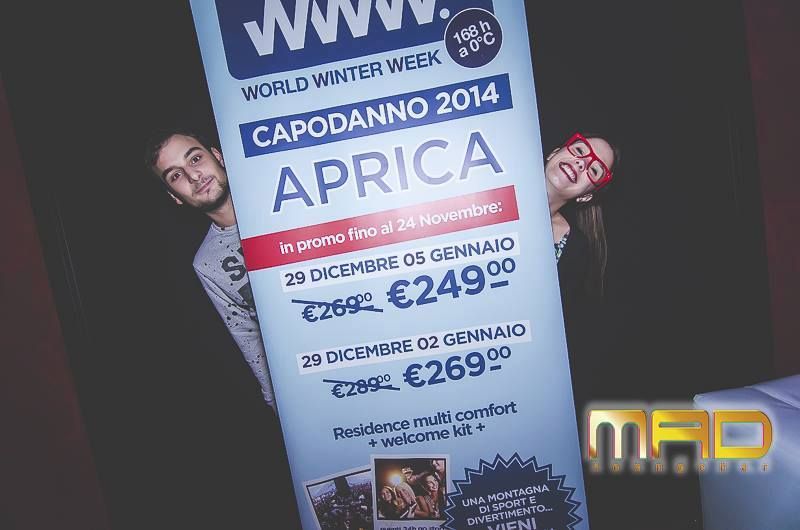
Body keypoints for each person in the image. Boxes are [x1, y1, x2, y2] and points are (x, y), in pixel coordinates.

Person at [143, 129, 276, 411]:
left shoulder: (287, 202)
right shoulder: (207, 263)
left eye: (195, 159)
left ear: (218, 156)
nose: (193, 176)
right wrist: (275, 404)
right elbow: (249, 339)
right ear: (174, 197)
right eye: (176, 176)